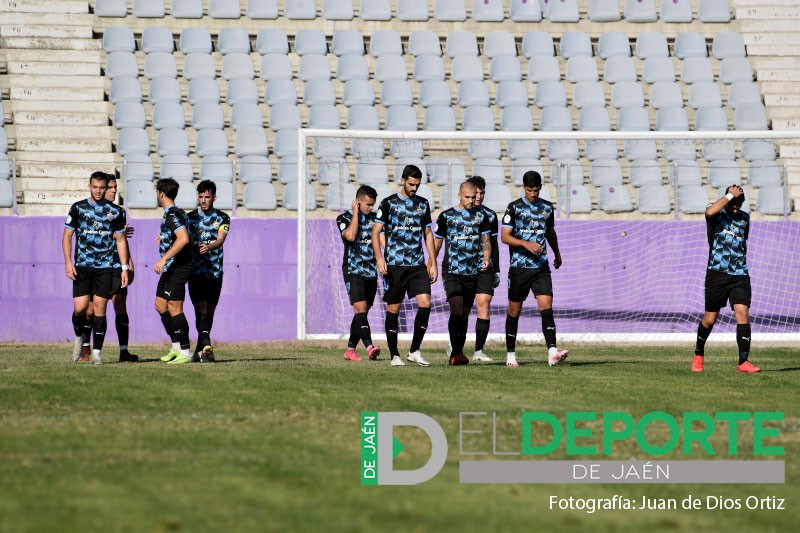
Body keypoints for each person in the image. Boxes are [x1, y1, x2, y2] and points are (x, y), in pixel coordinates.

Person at [501, 170, 569, 368]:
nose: (533, 194)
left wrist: (557, 252)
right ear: (524, 188)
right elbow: (505, 237)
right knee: (514, 312)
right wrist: (525, 243)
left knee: (547, 308)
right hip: (519, 268)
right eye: (530, 190)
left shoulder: (546, 208)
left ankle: (552, 352)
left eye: (536, 190)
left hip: (541, 267)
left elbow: (550, 232)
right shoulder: (513, 208)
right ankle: (511, 355)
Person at [372, 164, 437, 367]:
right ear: (402, 181)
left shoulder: (422, 204)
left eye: (417, 185)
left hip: (417, 264)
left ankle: (414, 351)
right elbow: (376, 232)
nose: (414, 189)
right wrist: (380, 258)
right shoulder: (388, 203)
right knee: (394, 307)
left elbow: (427, 233)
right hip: (394, 264)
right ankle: (394, 355)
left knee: (426, 303)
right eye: (411, 184)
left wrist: (432, 261)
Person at [63, 171, 129, 365]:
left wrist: (124, 267)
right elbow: (67, 236)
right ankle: (79, 336)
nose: (99, 191)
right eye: (95, 187)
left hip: (105, 267)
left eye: (102, 188)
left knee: (101, 308)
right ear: (89, 186)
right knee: (81, 308)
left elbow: (121, 240)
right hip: (82, 266)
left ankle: (97, 353)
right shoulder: (78, 208)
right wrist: (68, 262)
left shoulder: (115, 211)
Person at [692, 185, 760, 373]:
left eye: (739, 202)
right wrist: (730, 195)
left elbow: (742, 242)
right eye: (733, 202)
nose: (736, 206)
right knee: (709, 319)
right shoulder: (716, 213)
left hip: (740, 274)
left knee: (742, 313)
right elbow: (709, 211)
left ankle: (743, 362)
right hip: (717, 274)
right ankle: (698, 354)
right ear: (728, 199)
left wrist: (735, 199)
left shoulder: (745, 218)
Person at [434, 181, 491, 366]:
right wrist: (431, 263)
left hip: (472, 272)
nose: (471, 200)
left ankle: (458, 351)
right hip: (452, 270)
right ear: (459, 195)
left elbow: (486, 241)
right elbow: (438, 242)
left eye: (473, 197)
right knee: (456, 306)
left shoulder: (482, 216)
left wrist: (487, 257)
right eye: (467, 197)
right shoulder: (446, 216)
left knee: (465, 313)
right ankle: (456, 352)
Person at [83, 175, 139, 362]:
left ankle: (124, 351)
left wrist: (129, 263)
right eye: (111, 187)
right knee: (91, 309)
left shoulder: (117, 212)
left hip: (116, 267)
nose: (114, 191)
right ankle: (85, 348)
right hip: (97, 267)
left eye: (116, 187)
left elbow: (122, 241)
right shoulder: (92, 212)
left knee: (120, 303)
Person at [187, 180, 230, 363]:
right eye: (201, 197)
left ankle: (199, 351)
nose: (204, 200)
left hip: (215, 272)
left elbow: (221, 240)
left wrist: (209, 246)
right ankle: (207, 346)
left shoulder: (222, 218)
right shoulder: (189, 218)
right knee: (200, 308)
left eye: (207, 197)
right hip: (196, 271)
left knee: (210, 311)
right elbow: (180, 237)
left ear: (214, 197)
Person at [337, 185, 382, 362]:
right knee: (360, 308)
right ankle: (370, 347)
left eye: (373, 204)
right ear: (358, 202)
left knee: (361, 313)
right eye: (368, 204)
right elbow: (350, 236)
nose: (371, 207)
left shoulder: (376, 219)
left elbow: (382, 239)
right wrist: (356, 214)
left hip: (371, 271)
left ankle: (350, 350)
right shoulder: (344, 218)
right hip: (353, 270)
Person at [153, 178, 193, 365]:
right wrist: (165, 238)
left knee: (175, 308)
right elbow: (179, 236)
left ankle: (185, 350)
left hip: (179, 266)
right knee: (160, 305)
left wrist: (164, 257)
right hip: (171, 267)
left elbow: (183, 238)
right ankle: (176, 347)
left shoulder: (172, 214)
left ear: (161, 193)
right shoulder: (174, 213)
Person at [468, 175, 501, 362]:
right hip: (462, 267)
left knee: (484, 303)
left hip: (484, 267)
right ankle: (454, 344)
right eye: (476, 192)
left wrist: (496, 270)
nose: (479, 196)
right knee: (462, 309)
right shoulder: (457, 214)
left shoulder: (490, 215)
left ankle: (478, 351)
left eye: (482, 192)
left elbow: (493, 244)